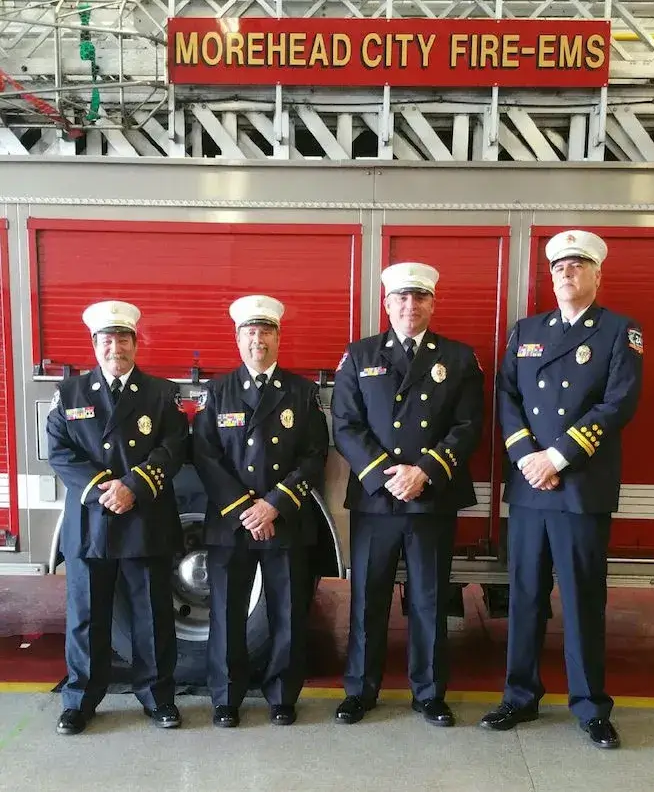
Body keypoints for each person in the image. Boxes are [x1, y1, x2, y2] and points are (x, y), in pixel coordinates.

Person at [480, 230, 643, 749]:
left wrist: (557, 456)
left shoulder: (620, 330)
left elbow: (618, 403)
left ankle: (591, 707)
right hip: (530, 488)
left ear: (598, 274)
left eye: (577, 265)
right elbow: (506, 394)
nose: (567, 274)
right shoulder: (527, 330)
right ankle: (519, 697)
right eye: (559, 267)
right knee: (524, 596)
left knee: (581, 598)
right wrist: (526, 455)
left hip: (579, 489)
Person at [331, 262, 484, 727]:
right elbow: (346, 424)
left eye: (419, 298)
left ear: (432, 304)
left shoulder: (457, 358)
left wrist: (424, 472)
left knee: (429, 598)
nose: (409, 306)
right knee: (367, 598)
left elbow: (468, 426)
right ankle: (360, 690)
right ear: (386, 304)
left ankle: (430, 693)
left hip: (431, 496)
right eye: (400, 298)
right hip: (376, 498)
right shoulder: (359, 355)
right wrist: (385, 474)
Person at [47, 300, 189, 736]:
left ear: (134, 343)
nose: (115, 347)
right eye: (107, 340)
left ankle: (157, 697)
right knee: (87, 616)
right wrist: (102, 490)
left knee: (151, 614)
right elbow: (59, 450)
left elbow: (174, 446)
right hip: (91, 522)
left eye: (123, 339)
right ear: (94, 344)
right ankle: (80, 700)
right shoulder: (70, 393)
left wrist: (135, 486)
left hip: (143, 519)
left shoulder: (160, 393)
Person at [193, 295, 328, 728]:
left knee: (287, 612)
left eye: (265, 332)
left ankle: (282, 696)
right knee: (228, 615)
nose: (257, 340)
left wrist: (274, 504)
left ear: (278, 337)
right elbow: (205, 456)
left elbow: (314, 455)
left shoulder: (302, 392)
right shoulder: (217, 392)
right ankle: (226, 698)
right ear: (237, 338)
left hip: (283, 520)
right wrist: (243, 509)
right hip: (231, 525)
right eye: (250, 332)